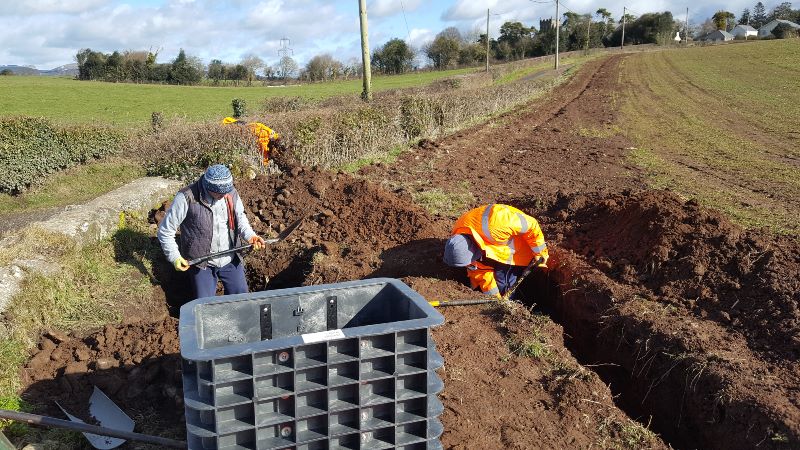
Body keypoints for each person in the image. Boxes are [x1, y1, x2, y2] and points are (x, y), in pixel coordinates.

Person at [158, 164, 266, 299]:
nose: (224, 195)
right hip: (202, 263)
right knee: (205, 305)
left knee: (241, 299)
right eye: (220, 193)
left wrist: (251, 236)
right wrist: (174, 257)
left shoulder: (230, 193)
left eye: (227, 191)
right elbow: (165, 231)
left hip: (230, 257)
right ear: (208, 186)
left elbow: (240, 218)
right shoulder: (187, 197)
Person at [443, 203, 549, 298]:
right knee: (496, 287)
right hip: (495, 248)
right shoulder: (458, 239)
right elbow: (481, 272)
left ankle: (512, 305)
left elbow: (531, 225)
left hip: (520, 250)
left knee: (504, 283)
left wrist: (540, 252)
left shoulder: (499, 224)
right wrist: (494, 298)